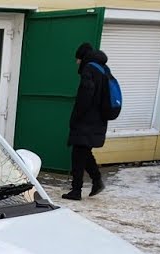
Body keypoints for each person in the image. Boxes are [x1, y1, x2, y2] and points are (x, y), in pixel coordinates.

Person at [63, 42, 110, 201]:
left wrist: (75, 118)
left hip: (87, 120)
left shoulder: (89, 70)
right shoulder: (103, 69)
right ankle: (96, 181)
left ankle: (76, 190)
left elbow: (85, 97)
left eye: (77, 59)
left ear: (82, 57)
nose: (77, 62)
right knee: (84, 152)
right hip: (98, 119)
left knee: (78, 154)